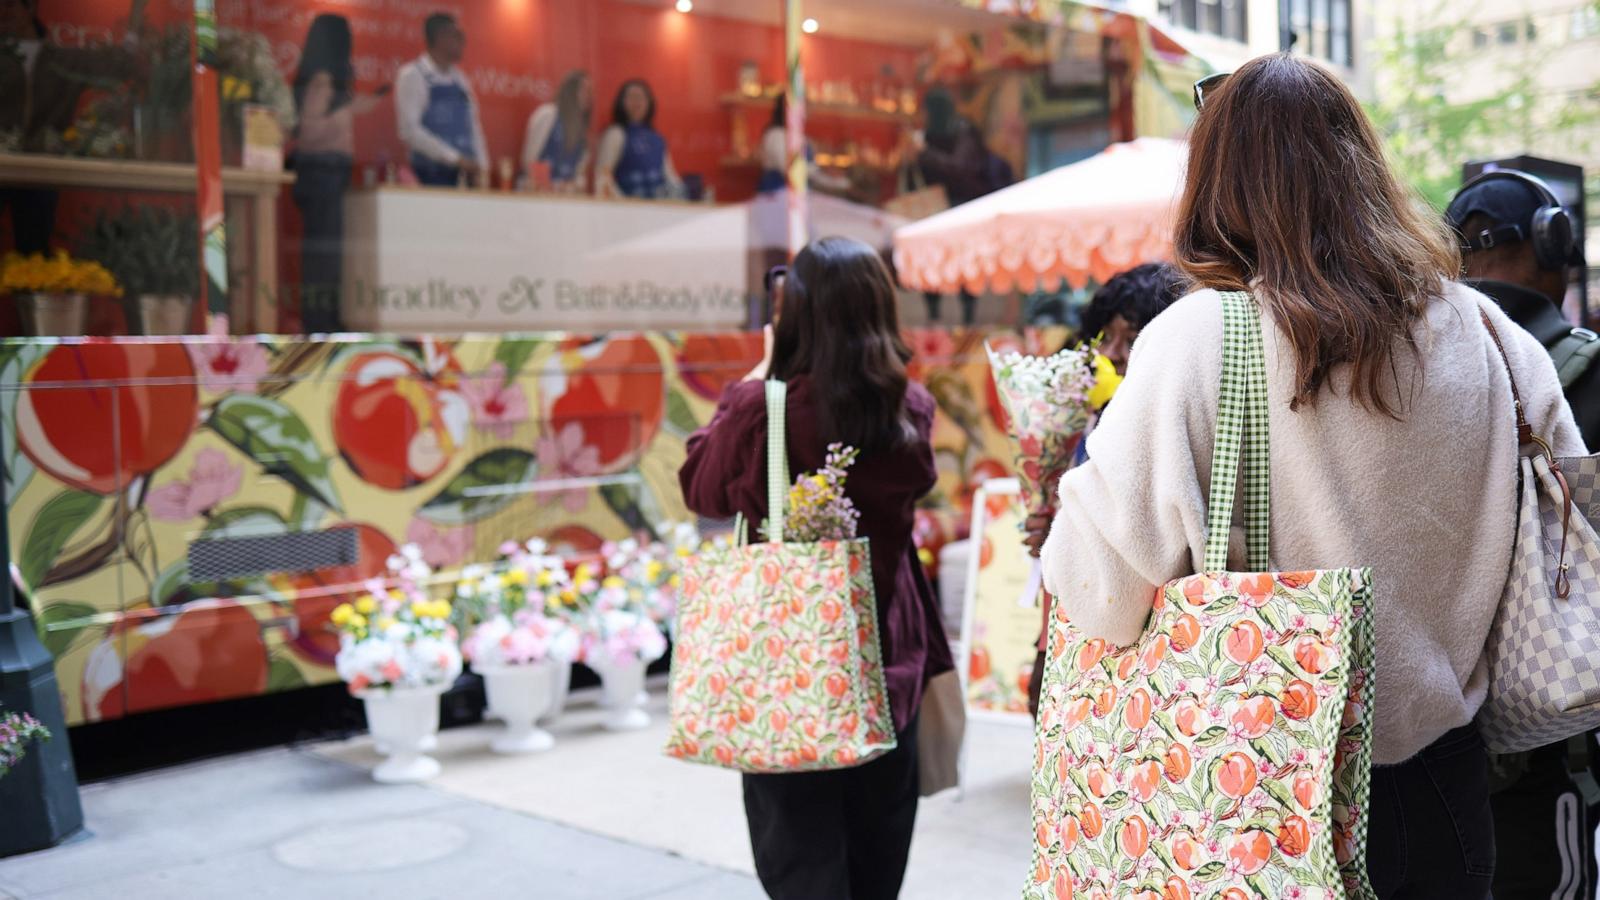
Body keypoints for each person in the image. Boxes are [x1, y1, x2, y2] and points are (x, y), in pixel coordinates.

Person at [1038, 54, 1583, 895]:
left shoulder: (1198, 340)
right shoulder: (1492, 336)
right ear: (1364, 167)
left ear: (1216, 184)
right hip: (1449, 788)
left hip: (1252, 791)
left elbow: (1099, 596)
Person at [679, 237, 954, 900]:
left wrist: (757, 377)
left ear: (794, 313)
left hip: (788, 670)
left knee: (801, 864)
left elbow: (701, 489)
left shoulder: (761, 409)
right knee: (877, 858)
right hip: (888, 664)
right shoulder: (910, 409)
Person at [1447, 171, 1600, 900]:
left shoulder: (1403, 368)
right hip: (1548, 733)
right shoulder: (1588, 372)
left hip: (1424, 740)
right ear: (1554, 245)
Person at [1023, 261, 1184, 717]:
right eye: (1106, 337)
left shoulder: (1160, 428)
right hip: (1078, 624)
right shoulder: (1093, 419)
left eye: (1131, 339)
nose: (1113, 353)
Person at [0, 0, 138, 253]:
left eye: (10, 5)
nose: (3, 12)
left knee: (34, 251)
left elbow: (118, 67)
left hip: (43, 169)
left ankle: (32, 292)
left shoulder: (62, 59)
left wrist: (135, 29)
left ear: (30, 9)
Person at [291, 13, 386, 334]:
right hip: (322, 174)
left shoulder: (329, 82)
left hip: (329, 174)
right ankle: (320, 326)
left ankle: (324, 323)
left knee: (329, 257)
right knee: (323, 259)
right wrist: (347, 110)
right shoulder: (322, 80)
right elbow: (308, 131)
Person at [914, 87, 1009, 325]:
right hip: (936, 211)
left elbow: (959, 167)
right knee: (931, 262)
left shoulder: (963, 131)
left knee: (964, 266)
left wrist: (925, 153)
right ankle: (934, 316)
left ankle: (968, 320)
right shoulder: (928, 135)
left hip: (962, 210)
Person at [395, 12, 488, 187]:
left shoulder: (461, 81)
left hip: (466, 179)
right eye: (458, 35)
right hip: (429, 178)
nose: (463, 42)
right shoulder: (413, 75)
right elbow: (410, 131)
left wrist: (483, 169)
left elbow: (474, 128)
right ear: (440, 37)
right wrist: (455, 159)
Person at [595, 79, 682, 200]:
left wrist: (682, 197)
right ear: (621, 103)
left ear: (649, 103)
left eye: (641, 97)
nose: (637, 102)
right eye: (631, 97)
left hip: (658, 210)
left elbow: (671, 177)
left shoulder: (657, 139)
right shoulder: (615, 134)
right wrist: (626, 205)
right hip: (628, 211)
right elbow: (603, 177)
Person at [758, 94, 849, 196]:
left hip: (800, 194)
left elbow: (811, 170)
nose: (809, 108)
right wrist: (820, 170)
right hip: (777, 194)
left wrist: (836, 180)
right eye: (806, 104)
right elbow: (788, 169)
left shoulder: (800, 137)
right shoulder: (776, 135)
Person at [520, 70, 591, 192]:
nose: (588, 96)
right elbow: (530, 159)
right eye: (583, 90)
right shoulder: (548, 114)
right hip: (537, 195)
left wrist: (573, 186)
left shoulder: (582, 131)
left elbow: (579, 172)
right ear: (569, 91)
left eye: (590, 92)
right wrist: (547, 188)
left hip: (565, 198)